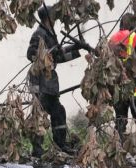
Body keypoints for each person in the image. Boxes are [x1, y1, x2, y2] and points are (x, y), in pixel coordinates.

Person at [27, 5, 91, 157]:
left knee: (58, 112)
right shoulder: (39, 34)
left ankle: (60, 146)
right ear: (47, 17)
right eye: (53, 15)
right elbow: (31, 54)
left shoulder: (49, 33)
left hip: (50, 84)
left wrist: (75, 49)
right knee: (39, 117)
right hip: (41, 82)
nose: (56, 17)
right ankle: (37, 151)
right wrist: (47, 55)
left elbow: (58, 57)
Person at [109, 13, 136, 139]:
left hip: (119, 90)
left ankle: (120, 150)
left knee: (120, 122)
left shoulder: (112, 39)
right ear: (133, 24)